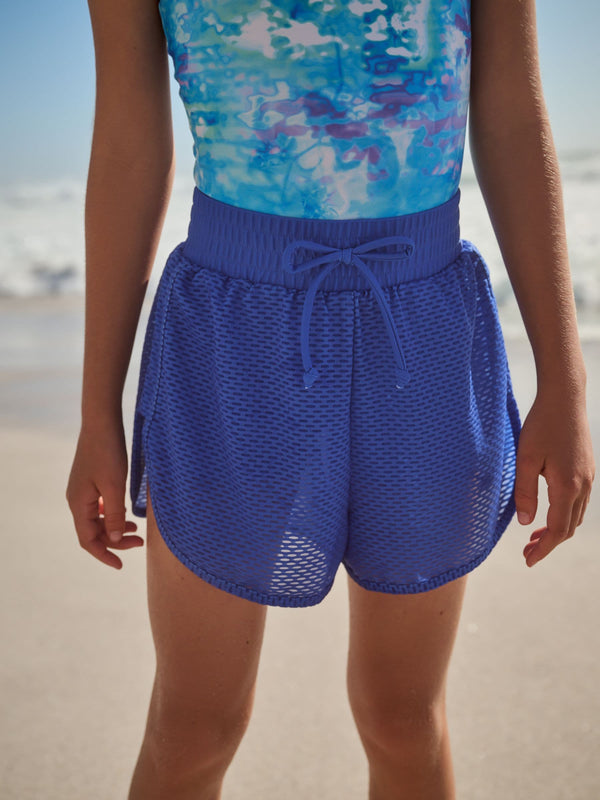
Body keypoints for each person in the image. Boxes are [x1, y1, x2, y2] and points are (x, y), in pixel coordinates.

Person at [66, 0, 595, 798]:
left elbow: (514, 119)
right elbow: (127, 147)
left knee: (403, 717)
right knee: (194, 726)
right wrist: (95, 413)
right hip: (228, 342)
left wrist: (566, 380)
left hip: (422, 335)